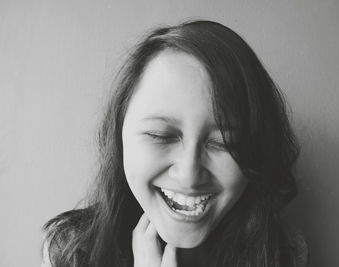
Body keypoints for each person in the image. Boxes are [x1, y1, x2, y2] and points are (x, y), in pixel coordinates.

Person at [42, 20, 307, 267]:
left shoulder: (285, 252)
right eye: (161, 135)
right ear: (119, 136)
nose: (189, 175)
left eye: (224, 142)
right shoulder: (71, 252)